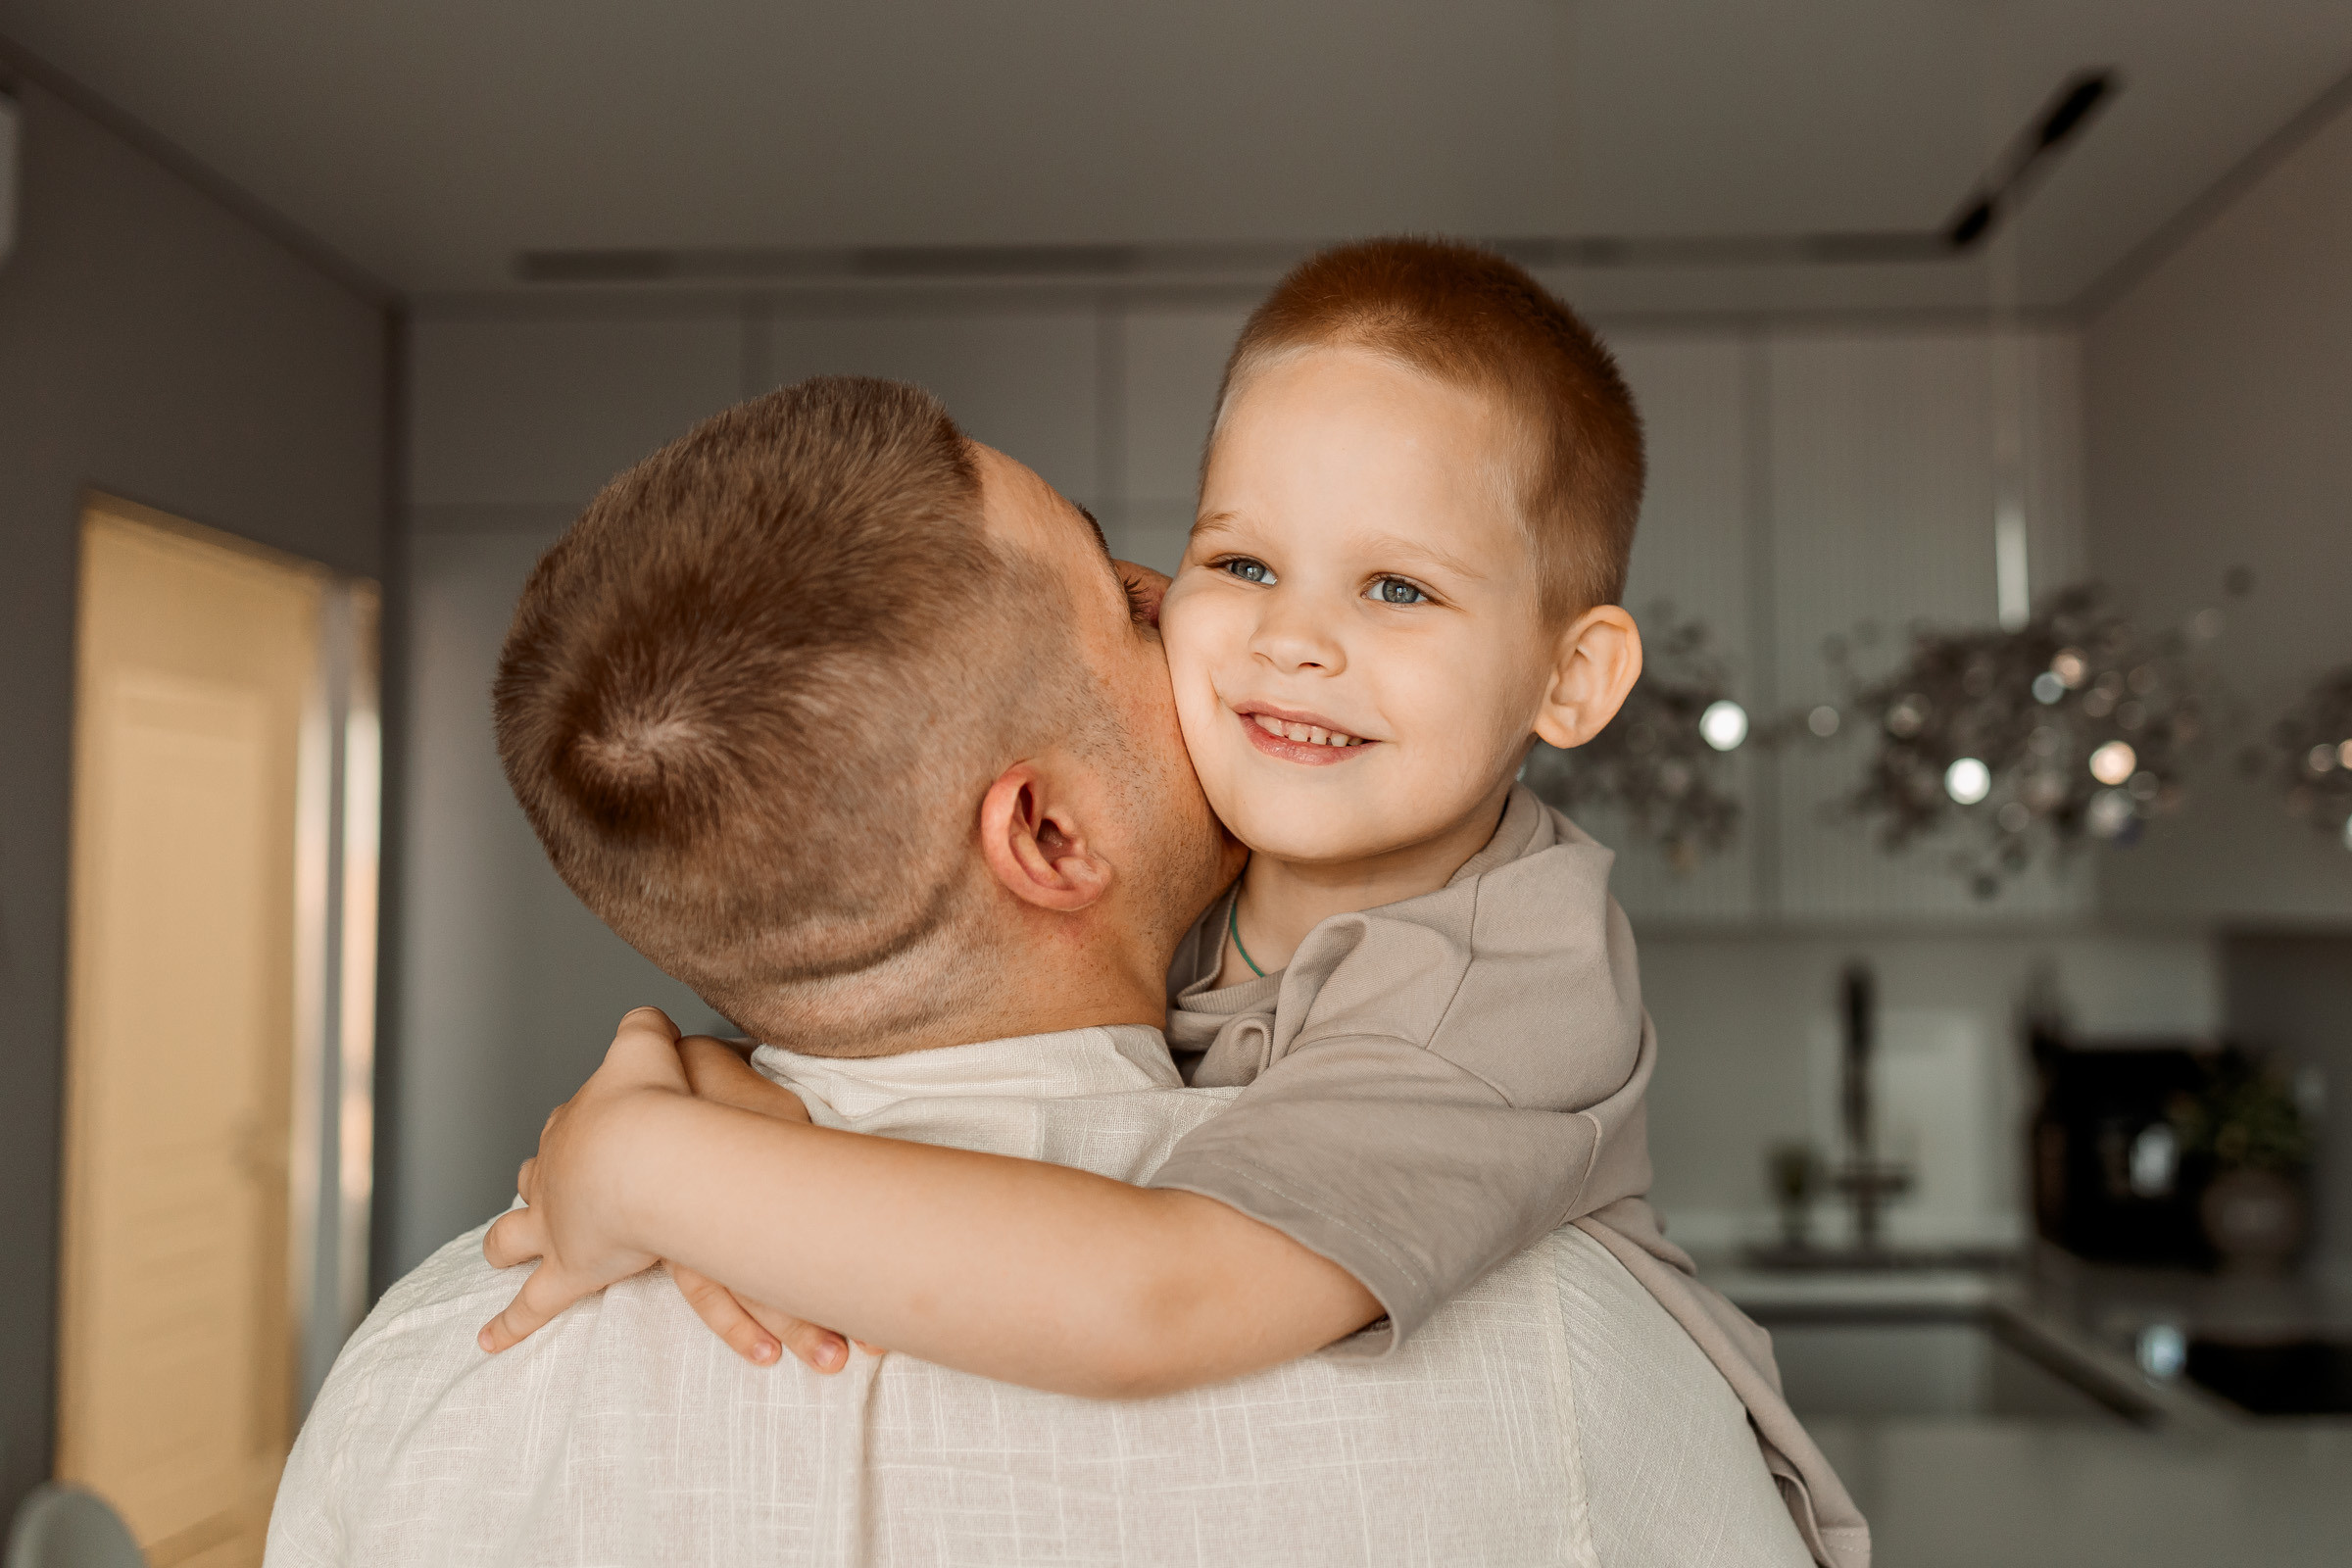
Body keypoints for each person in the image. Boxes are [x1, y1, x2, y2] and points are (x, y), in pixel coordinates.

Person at [267, 376, 1829, 1566]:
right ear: (1050, 835)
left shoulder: (425, 1376)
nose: (1230, 634)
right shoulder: (1551, 1360)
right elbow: (1143, 1293)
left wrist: (666, 1136)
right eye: (1140, 600)